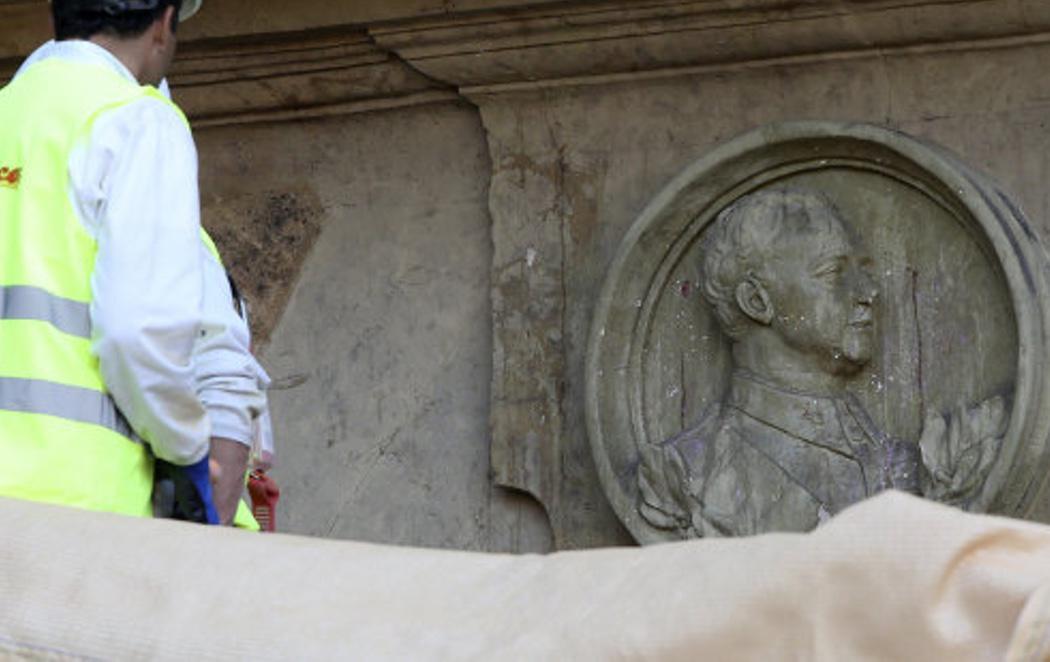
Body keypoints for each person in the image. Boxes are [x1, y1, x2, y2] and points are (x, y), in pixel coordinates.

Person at [638, 188, 1005, 537]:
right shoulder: (683, 475)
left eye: (862, 271)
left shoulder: (914, 466)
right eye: (833, 273)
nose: (868, 293)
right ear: (756, 300)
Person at [0, 0, 240, 522]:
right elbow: (137, 333)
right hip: (75, 508)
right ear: (163, 24)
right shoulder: (136, 119)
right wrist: (188, 450)